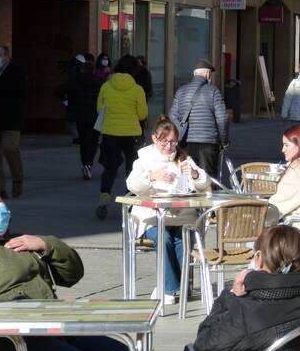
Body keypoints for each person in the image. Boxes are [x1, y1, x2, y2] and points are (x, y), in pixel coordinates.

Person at [0, 195, 130, 351]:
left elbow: (72, 274)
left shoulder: (20, 241)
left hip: (52, 332)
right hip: (8, 346)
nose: (0, 209)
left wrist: (46, 244)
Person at [126, 116, 210, 304]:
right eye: (164, 141)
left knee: (183, 239)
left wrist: (194, 174)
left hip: (181, 216)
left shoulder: (183, 158)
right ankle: (171, 288)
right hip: (152, 217)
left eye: (173, 141)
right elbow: (131, 185)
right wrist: (152, 177)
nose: (169, 146)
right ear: (154, 139)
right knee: (164, 238)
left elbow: (205, 183)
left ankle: (174, 287)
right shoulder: (144, 160)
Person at [95, 54, 148, 220]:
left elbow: (99, 109)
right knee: (132, 169)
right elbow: (142, 114)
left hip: (110, 133)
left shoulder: (106, 87)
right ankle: (130, 200)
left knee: (110, 168)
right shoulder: (137, 89)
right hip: (131, 134)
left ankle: (104, 197)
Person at [169, 60, 229, 180]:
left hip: (185, 142)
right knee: (207, 179)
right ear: (208, 74)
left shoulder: (181, 91)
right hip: (208, 143)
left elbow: (172, 115)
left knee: (188, 176)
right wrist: (224, 141)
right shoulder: (213, 91)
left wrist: (181, 131)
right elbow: (222, 118)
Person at [55, 61, 103, 180]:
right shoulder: (98, 82)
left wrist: (67, 101)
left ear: (82, 69)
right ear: (93, 70)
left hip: (79, 115)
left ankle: (85, 163)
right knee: (93, 141)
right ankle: (89, 164)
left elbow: (58, 90)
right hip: (94, 115)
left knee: (84, 141)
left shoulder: (74, 81)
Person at [0, 45, 26, 199]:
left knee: (10, 148)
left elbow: (22, 93)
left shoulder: (17, 72)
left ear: (7, 57)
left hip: (12, 119)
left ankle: (17, 178)